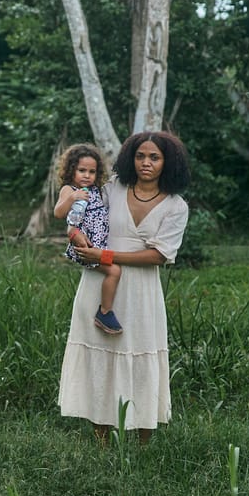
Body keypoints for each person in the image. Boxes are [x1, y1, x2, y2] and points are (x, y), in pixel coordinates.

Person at [57, 130, 191, 442]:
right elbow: (79, 215)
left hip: (141, 290)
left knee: (140, 353)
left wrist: (106, 254)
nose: (146, 163)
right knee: (100, 354)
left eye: (154, 157)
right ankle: (101, 434)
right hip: (100, 281)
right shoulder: (112, 189)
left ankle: (144, 435)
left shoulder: (175, 206)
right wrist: (76, 236)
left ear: (167, 162)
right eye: (140, 156)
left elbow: (159, 255)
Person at [51, 143, 121, 334]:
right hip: (86, 249)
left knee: (116, 263)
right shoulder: (69, 189)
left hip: (99, 247)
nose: (87, 175)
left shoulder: (96, 190)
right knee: (114, 270)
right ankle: (105, 312)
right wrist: (72, 197)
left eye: (92, 171)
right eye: (82, 170)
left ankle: (106, 310)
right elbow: (58, 213)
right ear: (71, 170)